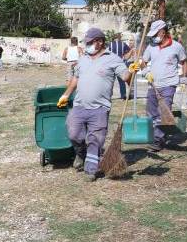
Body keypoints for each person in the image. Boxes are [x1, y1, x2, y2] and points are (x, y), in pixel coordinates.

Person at [57, 28, 138, 181]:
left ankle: (91, 170)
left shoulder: (113, 59)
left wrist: (132, 71)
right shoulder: (83, 58)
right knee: (74, 134)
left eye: (89, 42)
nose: (87, 45)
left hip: (100, 109)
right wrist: (66, 94)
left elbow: (127, 77)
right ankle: (81, 155)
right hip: (79, 105)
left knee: (96, 139)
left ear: (99, 42)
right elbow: (76, 78)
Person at [140, 20, 187, 152]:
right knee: (151, 113)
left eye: (155, 33)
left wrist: (184, 77)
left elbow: (184, 62)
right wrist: (145, 72)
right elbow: (143, 62)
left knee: (163, 112)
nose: (153, 37)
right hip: (153, 84)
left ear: (163, 32)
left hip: (169, 85)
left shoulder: (177, 47)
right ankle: (159, 134)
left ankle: (158, 140)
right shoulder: (151, 47)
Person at [109, 33, 131, 99]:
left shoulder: (110, 44)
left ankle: (108, 95)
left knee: (110, 81)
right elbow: (128, 52)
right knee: (122, 81)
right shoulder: (123, 44)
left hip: (111, 64)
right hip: (120, 64)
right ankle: (123, 95)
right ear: (119, 38)